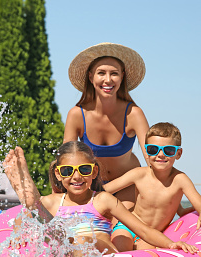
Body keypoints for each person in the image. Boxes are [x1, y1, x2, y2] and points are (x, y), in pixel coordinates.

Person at [3, 141, 198, 257]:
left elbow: (143, 230)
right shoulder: (53, 202)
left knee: (80, 240)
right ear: (58, 174)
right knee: (53, 232)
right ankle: (30, 203)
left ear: (94, 171)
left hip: (100, 249)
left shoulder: (102, 199)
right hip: (65, 250)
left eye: (84, 170)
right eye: (67, 171)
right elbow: (23, 220)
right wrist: (18, 234)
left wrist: (172, 244)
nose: (76, 177)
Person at [104, 122, 201, 252]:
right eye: (153, 149)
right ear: (146, 152)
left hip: (153, 235)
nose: (160, 154)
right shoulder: (138, 174)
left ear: (178, 153)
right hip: (127, 227)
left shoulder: (180, 180)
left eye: (169, 150)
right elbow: (103, 191)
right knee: (120, 253)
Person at [64, 43, 149, 210]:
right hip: (91, 188)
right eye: (101, 73)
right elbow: (65, 161)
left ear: (122, 77)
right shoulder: (76, 115)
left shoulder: (134, 114)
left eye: (114, 74)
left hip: (127, 187)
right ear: (90, 77)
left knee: (118, 223)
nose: (108, 80)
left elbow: (154, 160)